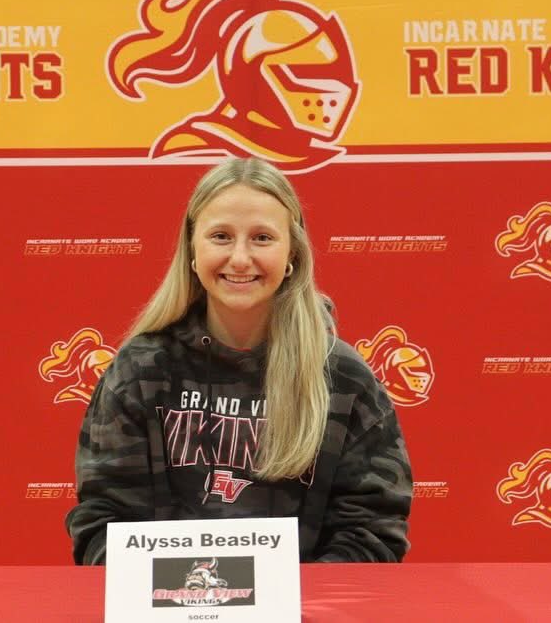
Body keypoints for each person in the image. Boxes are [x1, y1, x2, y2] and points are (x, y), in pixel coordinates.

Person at [65, 157, 412, 563]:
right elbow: (105, 521)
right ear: (192, 250)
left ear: (292, 253)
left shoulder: (343, 379)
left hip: (304, 602)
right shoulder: (140, 370)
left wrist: (293, 597)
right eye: (221, 236)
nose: (241, 258)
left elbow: (371, 530)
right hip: (168, 598)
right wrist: (183, 592)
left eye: (262, 238)